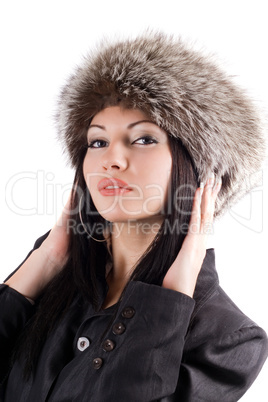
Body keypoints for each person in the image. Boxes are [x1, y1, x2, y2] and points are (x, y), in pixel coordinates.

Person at [0, 32, 267, 402]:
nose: (112, 159)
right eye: (97, 141)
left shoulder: (226, 340)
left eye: (143, 139)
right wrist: (42, 262)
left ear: (200, 172)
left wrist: (166, 302)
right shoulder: (55, 276)